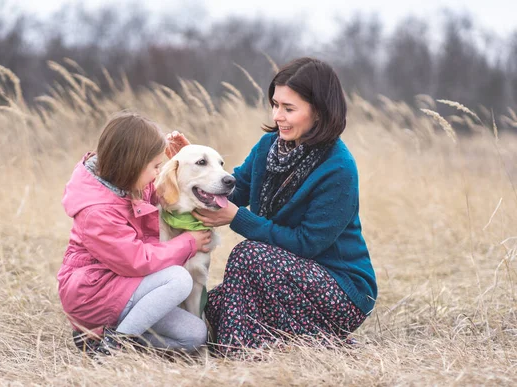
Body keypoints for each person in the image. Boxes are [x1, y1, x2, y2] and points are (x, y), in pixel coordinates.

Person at [171, 57, 377, 357]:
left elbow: (306, 244)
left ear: (318, 111)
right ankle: (314, 343)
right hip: (280, 277)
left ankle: (237, 351)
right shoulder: (269, 146)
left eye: (289, 108)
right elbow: (236, 188)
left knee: (248, 254)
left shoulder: (338, 168)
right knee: (209, 309)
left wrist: (238, 218)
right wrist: (196, 168)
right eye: (275, 104)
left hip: (340, 290)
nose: (278, 115)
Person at [57, 111, 212, 357]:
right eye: (155, 166)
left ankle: (102, 336)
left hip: (124, 290)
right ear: (132, 164)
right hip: (93, 294)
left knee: (194, 335)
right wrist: (188, 244)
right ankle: (115, 344)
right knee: (178, 279)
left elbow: (167, 194)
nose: (157, 173)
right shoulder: (97, 212)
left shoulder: (131, 183)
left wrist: (183, 162)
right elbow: (136, 260)